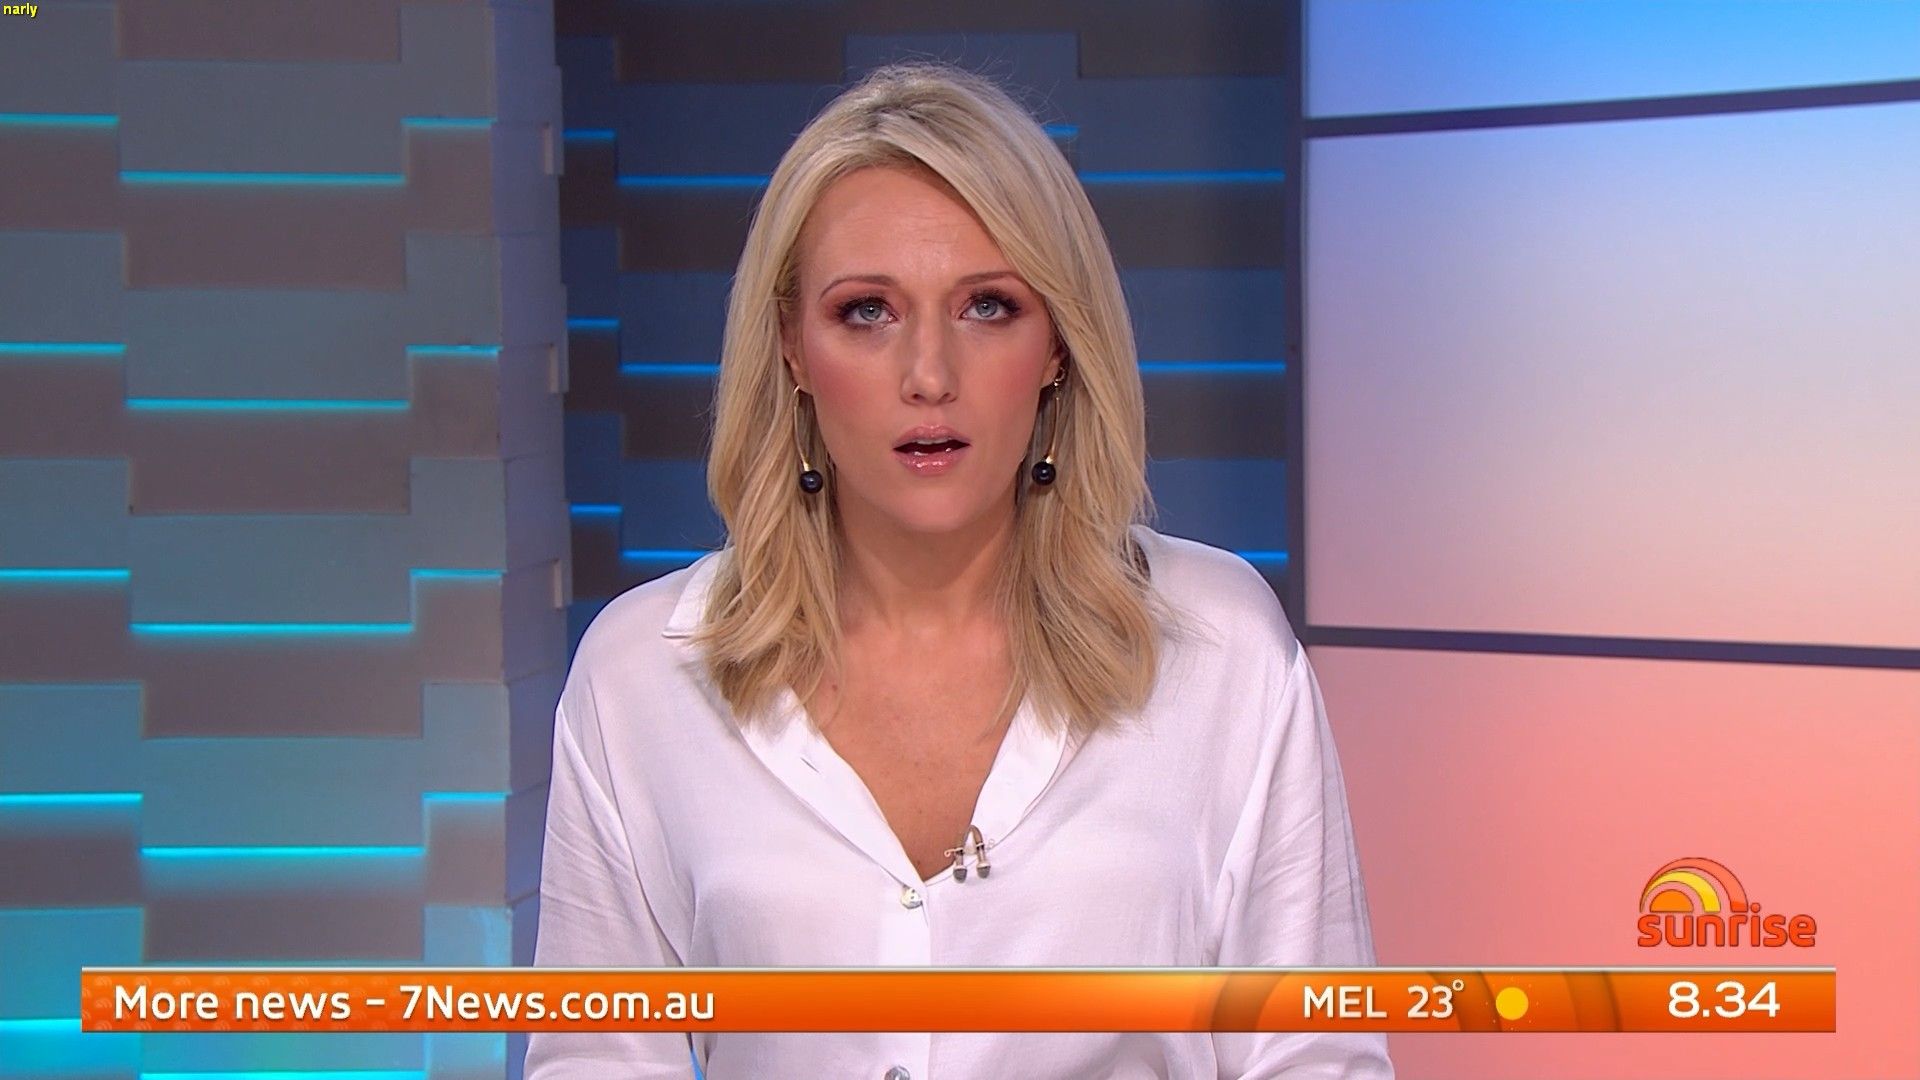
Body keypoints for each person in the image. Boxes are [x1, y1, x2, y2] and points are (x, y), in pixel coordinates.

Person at [524, 60, 1392, 1079]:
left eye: (987, 307)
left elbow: (1314, 1056)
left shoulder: (1219, 647)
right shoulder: (642, 675)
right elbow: (598, 1059)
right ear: (792, 348)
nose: (929, 375)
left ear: (1059, 342)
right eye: (867, 312)